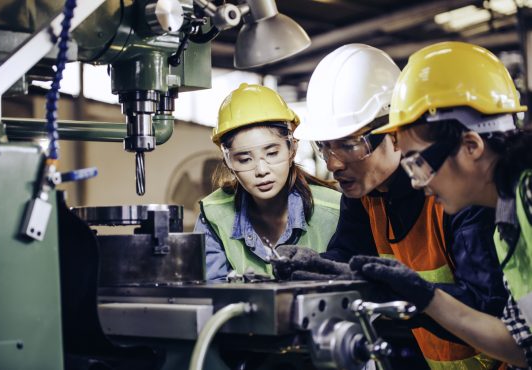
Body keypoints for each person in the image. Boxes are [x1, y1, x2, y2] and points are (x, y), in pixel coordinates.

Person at [287, 44, 508, 369]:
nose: (333, 164)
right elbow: (350, 261)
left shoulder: (464, 194)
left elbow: (494, 314)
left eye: (349, 145)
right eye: (324, 148)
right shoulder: (365, 195)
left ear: (393, 134)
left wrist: (402, 293)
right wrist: (315, 272)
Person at [351, 41, 532, 368]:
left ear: (471, 145)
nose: (418, 183)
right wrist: (423, 295)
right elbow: (522, 345)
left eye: (417, 164)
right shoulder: (506, 224)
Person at [195, 83, 341, 281]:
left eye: (272, 153)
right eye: (245, 159)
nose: (261, 170)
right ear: (228, 162)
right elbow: (211, 294)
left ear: (292, 149)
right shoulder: (213, 214)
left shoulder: (337, 210)